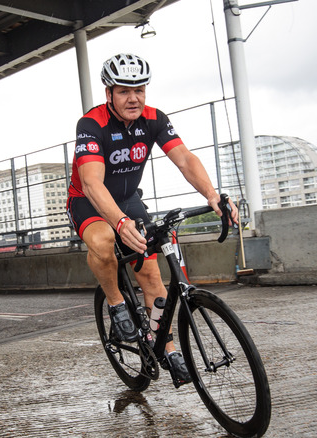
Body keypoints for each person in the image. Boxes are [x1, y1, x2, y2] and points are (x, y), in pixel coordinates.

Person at [66, 53, 238, 386]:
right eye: (124, 91)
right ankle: (116, 303)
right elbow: (91, 182)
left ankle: (168, 348)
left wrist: (212, 195)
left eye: (139, 90)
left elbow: (185, 159)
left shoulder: (154, 119)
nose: (133, 98)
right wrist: (120, 223)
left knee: (151, 275)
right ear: (108, 94)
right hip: (88, 199)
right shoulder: (91, 124)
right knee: (103, 241)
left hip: (128, 199)